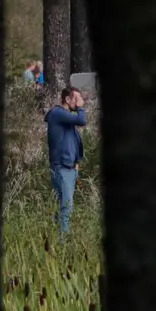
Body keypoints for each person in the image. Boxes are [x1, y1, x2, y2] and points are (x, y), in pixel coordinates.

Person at [44, 87, 87, 234]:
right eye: (76, 98)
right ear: (67, 99)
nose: (79, 101)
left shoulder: (64, 117)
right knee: (66, 208)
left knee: (62, 207)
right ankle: (64, 244)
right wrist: (80, 108)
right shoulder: (58, 113)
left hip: (69, 168)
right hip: (62, 168)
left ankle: (56, 241)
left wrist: (76, 165)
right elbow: (82, 120)